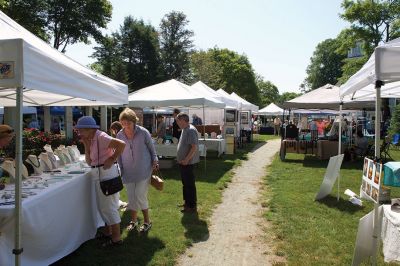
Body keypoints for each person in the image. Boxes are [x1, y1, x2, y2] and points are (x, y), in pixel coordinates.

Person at [75, 116, 126, 247]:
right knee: (104, 206)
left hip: (106, 174)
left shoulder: (101, 137)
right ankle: (108, 232)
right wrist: (86, 146)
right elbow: (90, 162)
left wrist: (112, 158)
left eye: (80, 130)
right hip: (101, 173)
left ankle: (116, 238)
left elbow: (121, 144)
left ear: (89, 129)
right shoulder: (91, 139)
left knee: (109, 207)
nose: (79, 133)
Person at [117, 108, 158, 233]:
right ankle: (133, 221)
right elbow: (118, 154)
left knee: (140, 195)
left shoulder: (143, 132)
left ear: (134, 121)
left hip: (144, 169)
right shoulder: (120, 135)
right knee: (131, 197)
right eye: (123, 123)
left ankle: (147, 221)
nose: (125, 126)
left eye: (128, 123)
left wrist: (155, 160)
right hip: (128, 171)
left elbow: (152, 149)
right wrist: (120, 169)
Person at [176, 112, 200, 213]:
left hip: (188, 163)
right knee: (185, 184)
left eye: (178, 120)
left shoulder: (190, 130)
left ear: (183, 120)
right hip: (183, 162)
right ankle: (187, 203)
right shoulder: (185, 129)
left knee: (189, 184)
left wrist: (186, 159)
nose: (177, 122)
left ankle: (192, 205)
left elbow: (194, 147)